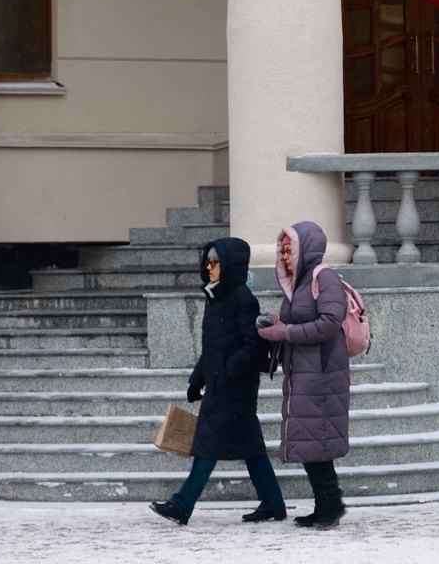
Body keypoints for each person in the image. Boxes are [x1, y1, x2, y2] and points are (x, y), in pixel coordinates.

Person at [150, 238, 285, 525]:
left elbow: (254, 346)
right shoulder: (216, 298)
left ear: (230, 265)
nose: (208, 267)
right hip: (220, 383)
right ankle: (273, 502)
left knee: (207, 443)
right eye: (207, 262)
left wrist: (227, 370)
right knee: (251, 448)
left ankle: (182, 505)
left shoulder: (243, 299)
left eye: (215, 263)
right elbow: (212, 348)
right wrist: (196, 380)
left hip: (235, 387)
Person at [257, 221, 351, 529]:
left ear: (305, 249)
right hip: (305, 372)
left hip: (321, 374)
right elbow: (301, 319)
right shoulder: (299, 283)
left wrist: (285, 331)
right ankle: (328, 504)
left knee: (316, 439)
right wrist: (273, 321)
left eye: (290, 250)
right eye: (282, 251)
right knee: (312, 440)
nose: (285, 257)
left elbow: (328, 323)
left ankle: (330, 505)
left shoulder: (324, 277)